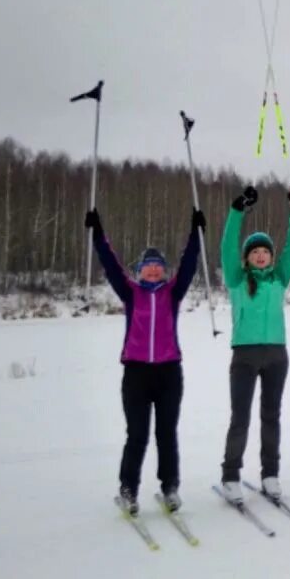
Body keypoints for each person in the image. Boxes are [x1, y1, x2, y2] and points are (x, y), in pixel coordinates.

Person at [88, 207, 202, 514]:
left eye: (157, 267)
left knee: (166, 433)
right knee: (136, 434)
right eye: (147, 267)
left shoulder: (172, 293)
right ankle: (128, 489)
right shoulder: (131, 293)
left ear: (164, 271)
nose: (153, 271)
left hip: (168, 373)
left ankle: (170, 487)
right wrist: (98, 233)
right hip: (136, 374)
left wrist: (195, 234)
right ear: (139, 271)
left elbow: (189, 266)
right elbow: (110, 265)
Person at [218, 185, 290, 504]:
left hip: (276, 355)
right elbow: (228, 245)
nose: (260, 254)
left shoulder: (279, 278)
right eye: (254, 251)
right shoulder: (237, 279)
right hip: (244, 355)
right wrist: (237, 209)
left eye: (265, 251)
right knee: (240, 417)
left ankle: (270, 474)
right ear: (247, 257)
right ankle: (230, 476)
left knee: (272, 415)